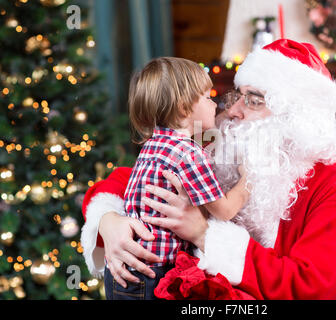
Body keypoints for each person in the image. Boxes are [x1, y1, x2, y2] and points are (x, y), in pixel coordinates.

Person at [81, 39, 336, 300]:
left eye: (254, 100)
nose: (233, 111)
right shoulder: (219, 144)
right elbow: (129, 178)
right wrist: (108, 220)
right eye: (238, 96)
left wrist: (204, 235)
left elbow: (312, 287)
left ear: (294, 117)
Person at [102, 57, 250, 299]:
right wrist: (248, 180)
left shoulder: (152, 144)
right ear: (184, 108)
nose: (215, 105)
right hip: (152, 274)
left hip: (120, 271)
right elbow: (224, 210)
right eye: (207, 97)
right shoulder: (189, 154)